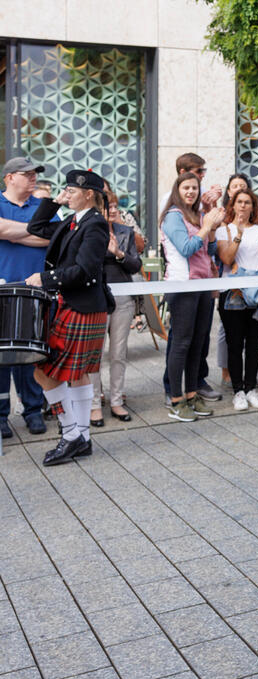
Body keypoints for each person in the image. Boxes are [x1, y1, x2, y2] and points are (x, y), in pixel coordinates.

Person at [23, 170, 112, 465]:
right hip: (74, 305)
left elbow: (85, 271)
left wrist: (46, 278)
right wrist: (55, 201)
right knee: (75, 373)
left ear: (89, 194)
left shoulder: (95, 224)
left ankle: (73, 434)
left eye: (71, 190)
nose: (67, 193)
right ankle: (81, 438)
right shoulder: (73, 221)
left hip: (82, 306)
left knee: (44, 371)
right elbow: (36, 227)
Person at [160, 173, 226, 421]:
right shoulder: (173, 216)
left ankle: (191, 394)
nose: (191, 192)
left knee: (197, 344)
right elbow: (186, 249)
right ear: (178, 189)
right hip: (182, 286)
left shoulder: (197, 215)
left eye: (195, 188)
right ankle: (176, 400)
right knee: (181, 344)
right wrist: (207, 226)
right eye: (186, 187)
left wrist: (210, 228)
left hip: (203, 285)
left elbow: (208, 250)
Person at [0, 156, 51, 438]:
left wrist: (11, 233)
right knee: (0, 355)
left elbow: (52, 236)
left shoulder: (42, 206)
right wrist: (33, 230)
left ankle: (33, 411)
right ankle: (0, 416)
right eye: (27, 174)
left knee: (30, 354)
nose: (33, 178)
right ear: (9, 177)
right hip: (2, 290)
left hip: (35, 293)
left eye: (35, 174)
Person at [215, 189, 258, 411]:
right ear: (233, 205)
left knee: (254, 344)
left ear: (253, 207)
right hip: (233, 292)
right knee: (234, 344)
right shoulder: (224, 230)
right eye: (239, 202)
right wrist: (239, 233)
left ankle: (251, 388)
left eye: (247, 202)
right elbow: (226, 258)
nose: (243, 206)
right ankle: (238, 391)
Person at [88, 191, 143, 426]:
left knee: (118, 353)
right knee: (95, 354)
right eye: (106, 206)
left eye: (114, 206)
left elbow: (135, 265)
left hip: (122, 298)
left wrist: (119, 254)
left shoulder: (125, 232)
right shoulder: (88, 231)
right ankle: (93, 404)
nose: (112, 210)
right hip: (96, 298)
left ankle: (117, 401)